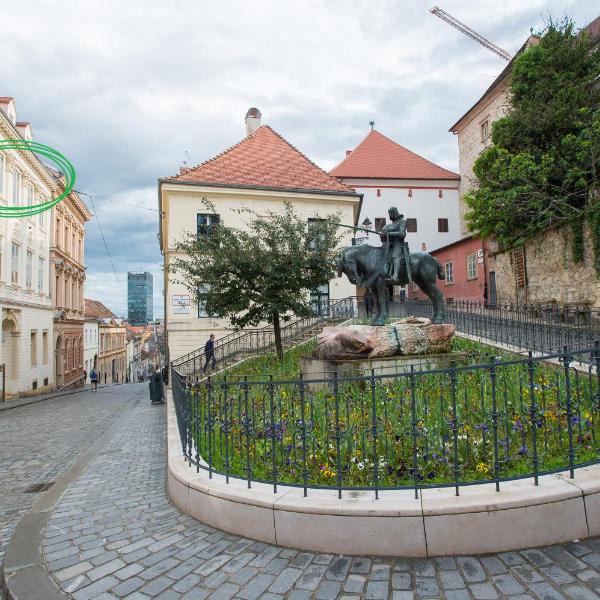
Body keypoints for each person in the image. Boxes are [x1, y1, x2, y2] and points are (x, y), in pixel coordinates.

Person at [380, 206, 410, 285]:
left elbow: (402, 234)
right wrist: (382, 234)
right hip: (388, 244)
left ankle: (395, 276)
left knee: (395, 256)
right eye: (389, 213)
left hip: (398, 243)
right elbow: (383, 236)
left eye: (391, 213)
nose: (389, 215)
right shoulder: (389, 225)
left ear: (395, 213)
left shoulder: (402, 221)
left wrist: (388, 233)